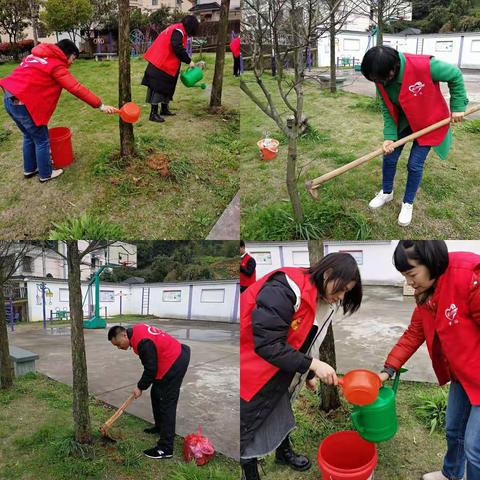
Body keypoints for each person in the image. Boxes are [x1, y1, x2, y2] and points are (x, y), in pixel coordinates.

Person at [240, 253, 362, 480]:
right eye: (341, 288)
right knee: (249, 426)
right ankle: (249, 472)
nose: (341, 296)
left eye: (347, 292)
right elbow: (267, 344)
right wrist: (314, 364)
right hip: (253, 372)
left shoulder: (326, 300)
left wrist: (308, 373)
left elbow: (310, 337)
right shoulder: (285, 289)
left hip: (284, 368)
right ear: (327, 274)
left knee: (283, 408)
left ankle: (282, 452)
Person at [378, 241, 480, 480]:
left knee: (475, 449)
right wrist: (387, 371)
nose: (409, 282)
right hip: (463, 376)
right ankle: (451, 473)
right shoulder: (426, 291)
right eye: (404, 276)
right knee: (454, 430)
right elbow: (415, 332)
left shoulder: (469, 278)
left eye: (411, 274)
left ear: (432, 262)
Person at [360, 46, 468, 227]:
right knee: (389, 155)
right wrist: (389, 136)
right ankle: (387, 192)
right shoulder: (380, 78)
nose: (379, 83)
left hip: (429, 122)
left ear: (393, 69)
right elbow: (387, 107)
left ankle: (408, 203)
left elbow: (455, 75)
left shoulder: (424, 66)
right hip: (404, 121)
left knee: (414, 164)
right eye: (375, 79)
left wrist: (458, 106)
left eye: (380, 79)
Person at [0, 39, 116, 182]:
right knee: (42, 140)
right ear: (68, 54)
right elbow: (76, 88)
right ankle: (45, 174)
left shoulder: (33, 56)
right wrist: (100, 105)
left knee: (29, 136)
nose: (72, 62)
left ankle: (30, 169)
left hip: (8, 98)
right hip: (24, 104)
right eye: (73, 58)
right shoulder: (56, 65)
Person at [108, 324, 190, 459]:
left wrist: (140, 387)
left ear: (123, 335)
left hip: (175, 360)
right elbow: (152, 365)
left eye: (118, 344)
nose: (119, 348)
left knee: (167, 403)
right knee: (156, 394)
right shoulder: (136, 330)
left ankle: (165, 448)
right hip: (169, 358)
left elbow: (150, 368)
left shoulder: (142, 342)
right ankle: (160, 427)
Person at [142, 15, 199, 123]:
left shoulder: (177, 28)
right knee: (158, 88)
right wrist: (188, 60)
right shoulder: (178, 31)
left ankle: (164, 109)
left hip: (164, 61)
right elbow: (176, 47)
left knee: (167, 87)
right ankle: (153, 114)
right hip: (161, 62)